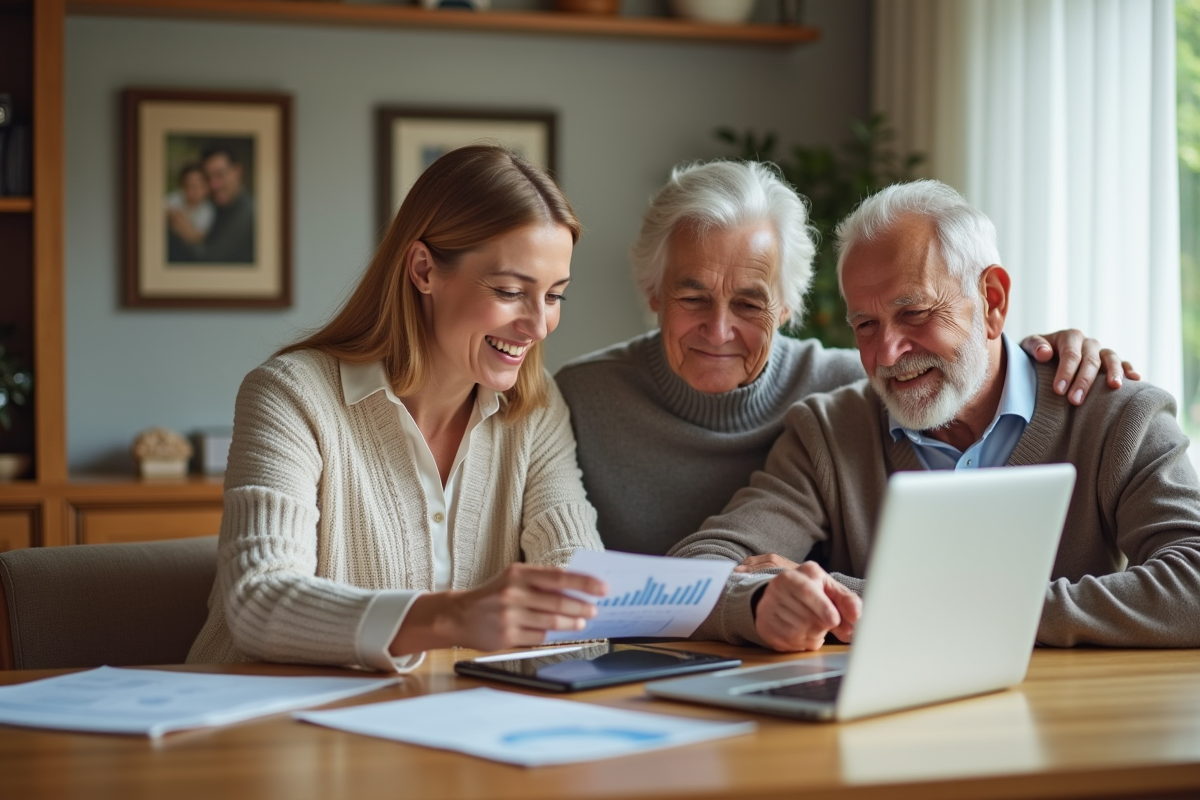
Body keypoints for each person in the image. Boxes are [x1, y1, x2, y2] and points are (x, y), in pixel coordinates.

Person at [670, 179, 1200, 650]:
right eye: (865, 325)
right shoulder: (829, 434)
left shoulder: (1117, 415)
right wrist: (760, 602)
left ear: (991, 301)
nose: (887, 354)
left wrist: (873, 602)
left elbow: (1192, 584)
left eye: (915, 313)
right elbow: (690, 577)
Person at [556, 160, 1135, 557]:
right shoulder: (841, 419)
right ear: (653, 293)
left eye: (750, 302)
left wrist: (1047, 355)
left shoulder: (850, 390)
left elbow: (969, 364)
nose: (719, 328)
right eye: (692, 297)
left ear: (786, 307)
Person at [188, 146, 606, 671]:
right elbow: (259, 601)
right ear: (424, 268)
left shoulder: (535, 408)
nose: (538, 325)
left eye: (554, 297)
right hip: (265, 726)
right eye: (509, 291)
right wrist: (451, 617)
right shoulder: (291, 394)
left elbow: (582, 591)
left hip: (442, 727)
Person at [169, 145, 255, 263]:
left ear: (237, 171)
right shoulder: (212, 207)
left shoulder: (248, 214)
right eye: (208, 178)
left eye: (220, 175)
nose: (214, 185)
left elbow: (212, 261)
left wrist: (188, 235)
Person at [165, 163, 214, 263]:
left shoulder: (208, 210)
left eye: (200, 185)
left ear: (207, 188)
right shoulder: (175, 198)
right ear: (183, 187)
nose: (196, 190)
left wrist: (181, 224)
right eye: (190, 185)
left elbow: (198, 237)